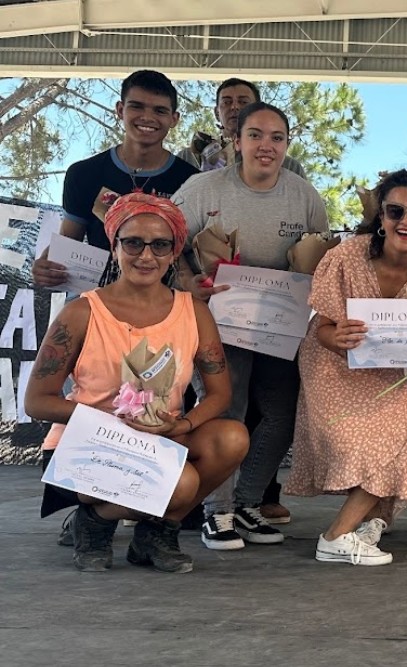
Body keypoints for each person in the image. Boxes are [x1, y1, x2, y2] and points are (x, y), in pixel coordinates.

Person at [25, 193, 248, 573]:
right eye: (133, 243)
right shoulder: (81, 312)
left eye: (160, 244)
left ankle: (152, 536)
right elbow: (36, 401)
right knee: (181, 483)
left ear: (174, 251)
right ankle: (94, 522)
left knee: (233, 439)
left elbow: (220, 394)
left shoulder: (193, 312)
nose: (146, 256)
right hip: (88, 444)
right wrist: (110, 418)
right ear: (114, 247)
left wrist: (182, 425)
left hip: (160, 438)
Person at [175, 101, 330, 551]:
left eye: (277, 137)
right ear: (236, 141)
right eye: (256, 135)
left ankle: (246, 504)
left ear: (287, 145)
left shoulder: (304, 195)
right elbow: (168, 243)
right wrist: (190, 282)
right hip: (221, 322)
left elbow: (322, 254)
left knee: (280, 414)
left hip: (282, 326)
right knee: (228, 409)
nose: (267, 146)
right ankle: (215, 512)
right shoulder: (202, 189)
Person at [286, 170, 407, 566]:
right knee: (362, 440)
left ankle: (367, 525)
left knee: (405, 430)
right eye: (396, 211)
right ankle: (336, 537)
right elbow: (323, 327)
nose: (406, 222)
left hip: (399, 375)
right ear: (380, 216)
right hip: (335, 365)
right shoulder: (344, 256)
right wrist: (338, 336)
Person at [32, 70, 198, 288]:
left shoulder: (192, 180)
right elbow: (68, 241)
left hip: (167, 305)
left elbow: (192, 255)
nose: (147, 117)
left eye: (159, 110)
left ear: (174, 119)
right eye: (136, 106)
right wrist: (47, 266)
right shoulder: (84, 173)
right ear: (120, 110)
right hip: (99, 299)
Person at [177, 78, 306, 177]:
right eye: (227, 102)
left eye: (243, 102)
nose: (234, 107)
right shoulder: (189, 158)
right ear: (217, 113)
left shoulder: (288, 166)